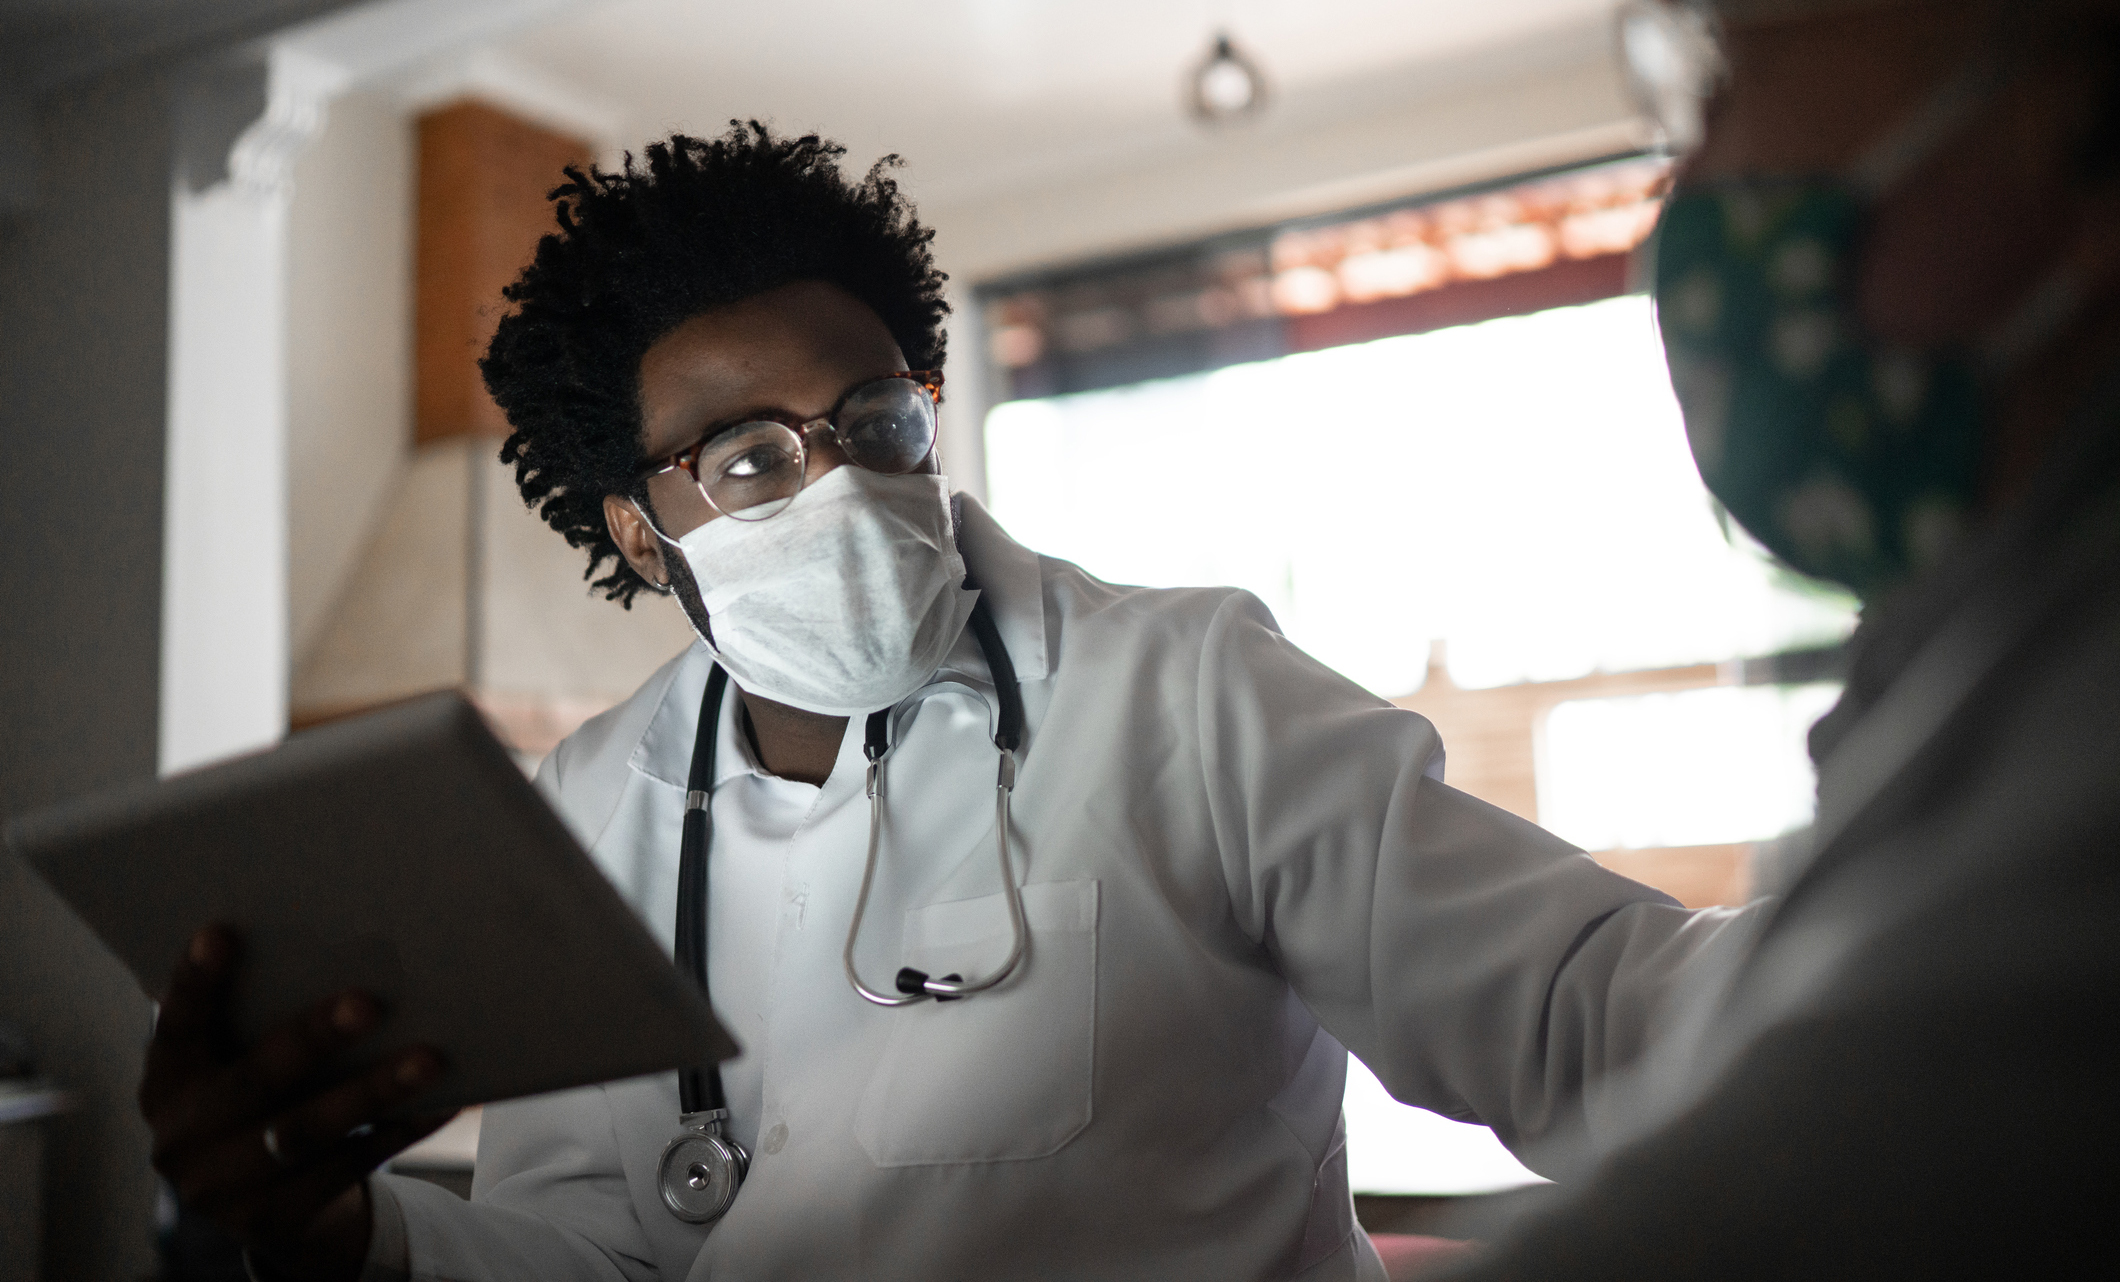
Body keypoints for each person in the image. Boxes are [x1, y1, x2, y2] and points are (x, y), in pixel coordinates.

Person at [139, 125, 1744, 1282]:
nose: (835, 481)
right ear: (643, 531)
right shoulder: (587, 809)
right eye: (755, 458)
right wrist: (348, 1233)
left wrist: (1935, 981)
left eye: (875, 421)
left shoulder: (1185, 691)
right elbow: (599, 1247)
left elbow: (1596, 1009)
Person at [1432, 0, 2120, 1275]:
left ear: (2070, 122)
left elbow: (1784, 1196)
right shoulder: (1959, 647)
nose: (1690, 187)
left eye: (1732, 84)